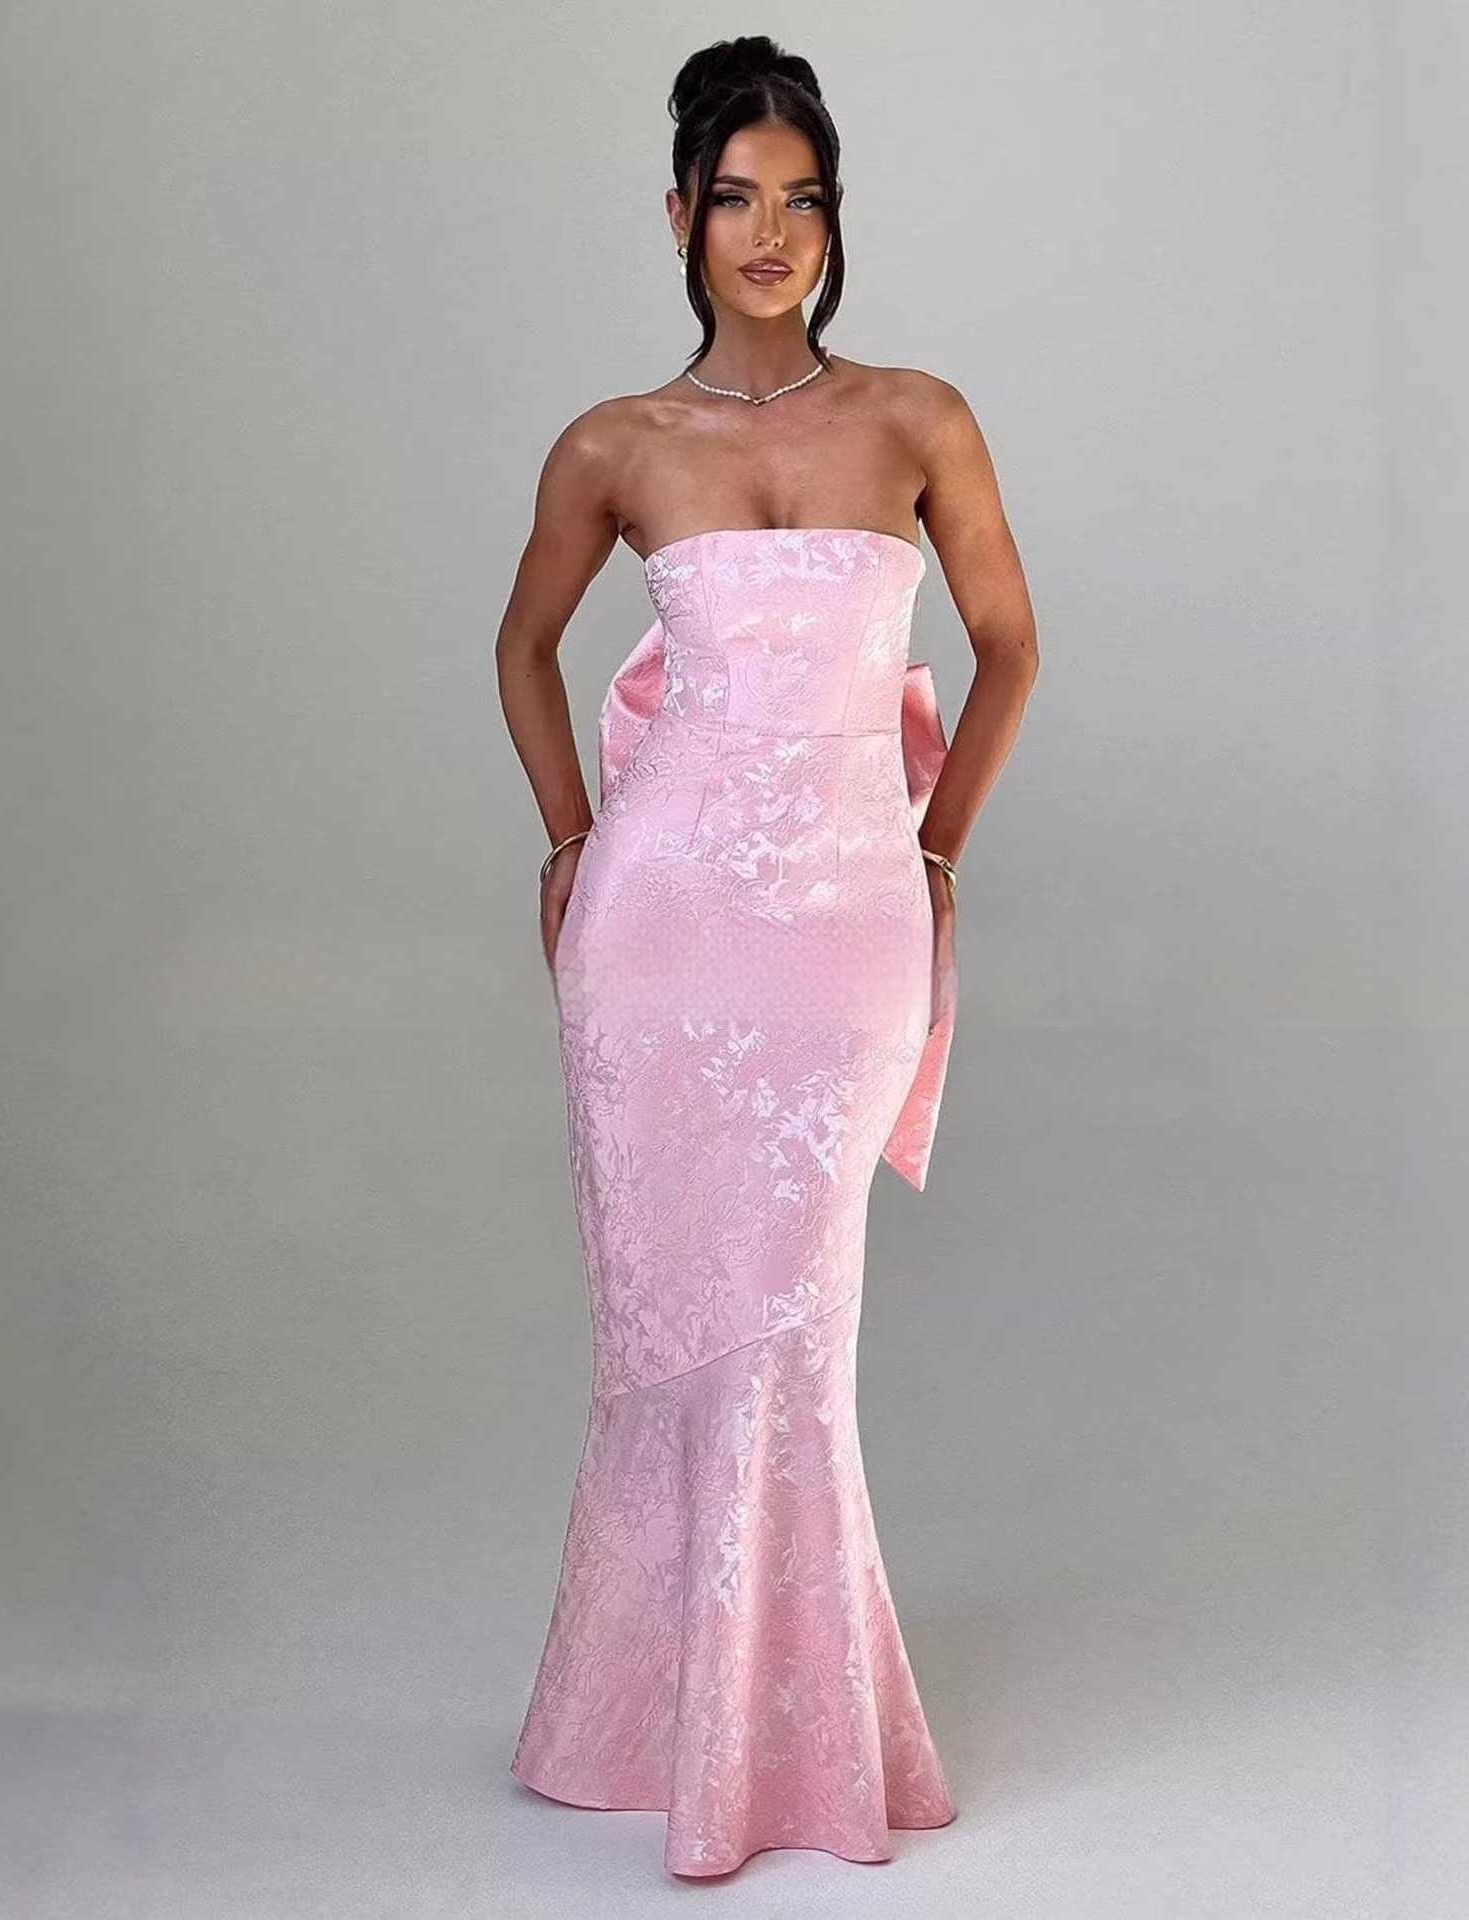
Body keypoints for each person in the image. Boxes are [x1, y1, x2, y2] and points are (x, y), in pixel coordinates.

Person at [493, 33, 1038, 1880]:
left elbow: (1012, 644)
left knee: (798, 1335)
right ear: (678, 217)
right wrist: (571, 838)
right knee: (665, 1334)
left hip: (845, 925)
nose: (771, 232)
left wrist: (936, 845)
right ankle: (655, 1725)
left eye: (801, 199)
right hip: (659, 930)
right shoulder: (616, 444)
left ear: (834, 216)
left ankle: (782, 1744)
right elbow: (522, 645)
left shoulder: (918, 417)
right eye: (735, 198)